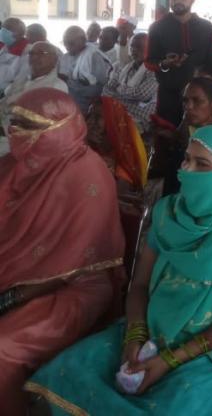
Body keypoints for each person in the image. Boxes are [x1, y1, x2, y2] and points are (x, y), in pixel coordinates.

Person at [27, 126, 212, 414]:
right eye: (187, 159)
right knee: (66, 371)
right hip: (154, 324)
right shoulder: (169, 213)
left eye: (202, 164)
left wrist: (170, 360)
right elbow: (139, 285)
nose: (187, 170)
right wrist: (134, 336)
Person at [0, 90, 125, 413]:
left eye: (27, 125)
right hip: (14, 271)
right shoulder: (16, 165)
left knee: (3, 346)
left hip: (73, 286)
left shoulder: (87, 175)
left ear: (60, 128)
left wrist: (10, 298)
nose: (14, 132)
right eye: (13, 122)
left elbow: (78, 262)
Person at [146, 0, 212, 125]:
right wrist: (164, 63)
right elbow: (149, 61)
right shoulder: (157, 27)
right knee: (167, 134)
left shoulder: (206, 27)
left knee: (197, 135)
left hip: (199, 99)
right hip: (169, 95)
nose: (178, 0)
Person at [86, 95, 150, 190]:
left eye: (97, 117)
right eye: (89, 115)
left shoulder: (122, 173)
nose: (90, 121)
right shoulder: (84, 144)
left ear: (113, 125)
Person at [102, 33, 157, 133]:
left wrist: (119, 90)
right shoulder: (126, 66)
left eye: (139, 46)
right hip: (119, 110)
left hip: (139, 117)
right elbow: (107, 89)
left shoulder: (154, 70)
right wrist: (126, 96)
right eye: (132, 46)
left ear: (149, 49)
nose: (134, 50)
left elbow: (142, 95)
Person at [58, 25, 112, 114]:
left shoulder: (94, 57)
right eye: (65, 43)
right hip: (66, 102)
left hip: (86, 106)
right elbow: (61, 79)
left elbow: (102, 86)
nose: (67, 47)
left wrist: (73, 86)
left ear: (83, 40)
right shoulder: (65, 57)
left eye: (71, 43)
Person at [2, 40, 68, 106]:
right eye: (31, 53)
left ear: (55, 59)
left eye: (41, 53)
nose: (34, 57)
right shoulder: (22, 78)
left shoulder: (57, 86)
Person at [0, 17, 29, 92]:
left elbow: (20, 81)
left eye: (8, 28)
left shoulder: (28, 52)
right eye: (3, 28)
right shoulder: (4, 47)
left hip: (9, 93)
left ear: (21, 33)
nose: (3, 31)